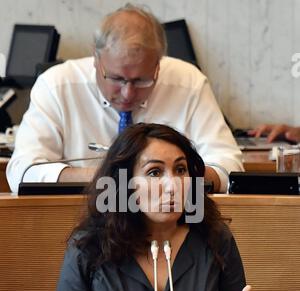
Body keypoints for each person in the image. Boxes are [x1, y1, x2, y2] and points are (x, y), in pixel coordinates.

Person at [49, 123, 262, 291]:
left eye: (181, 170)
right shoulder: (90, 246)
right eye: (154, 173)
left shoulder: (214, 238)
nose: (173, 185)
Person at [6, 4, 243, 193]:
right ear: (96, 60)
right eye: (117, 78)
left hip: (173, 223)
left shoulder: (188, 82)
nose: (128, 93)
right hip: (80, 223)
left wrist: (171, 179)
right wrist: (109, 179)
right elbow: (22, 172)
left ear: (158, 65)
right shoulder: (56, 85)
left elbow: (228, 167)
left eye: (142, 80)